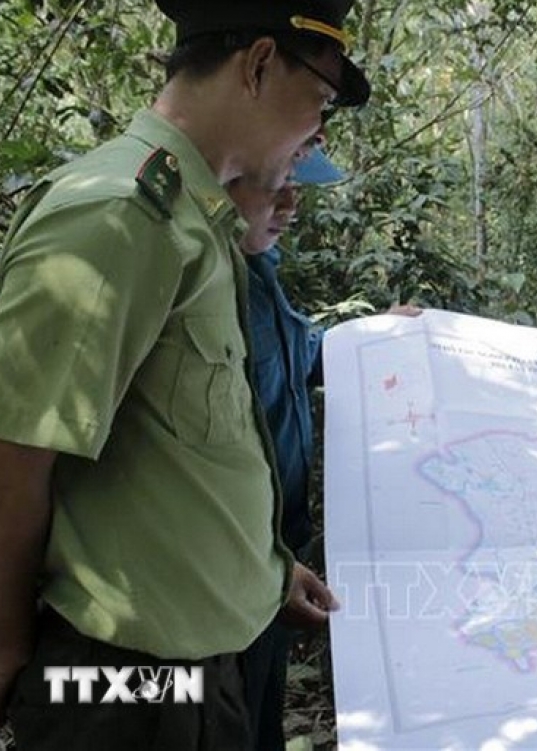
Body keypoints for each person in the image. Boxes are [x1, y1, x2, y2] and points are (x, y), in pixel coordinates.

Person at [0, 0, 369, 749]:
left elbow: (186, 453)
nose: (317, 136)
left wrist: (266, 570)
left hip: (202, 674)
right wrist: (8, 650)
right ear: (255, 66)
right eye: (318, 102)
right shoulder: (117, 217)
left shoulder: (198, 217)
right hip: (127, 692)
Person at [230, 145, 340, 751]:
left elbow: (302, 357)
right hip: (224, 568)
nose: (292, 206)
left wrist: (375, 341)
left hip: (278, 560)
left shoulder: (260, 272)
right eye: (279, 187)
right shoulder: (195, 283)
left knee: (259, 721)